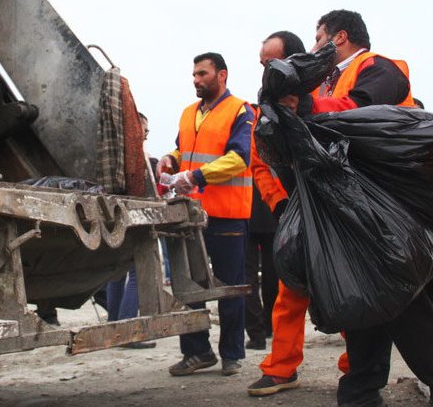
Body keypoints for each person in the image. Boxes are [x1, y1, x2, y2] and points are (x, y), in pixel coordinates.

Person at [249, 11, 433, 407]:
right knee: (361, 300)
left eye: (318, 37)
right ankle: (360, 391)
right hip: (349, 213)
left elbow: (358, 112)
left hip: (385, 215)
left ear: (339, 37)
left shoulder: (380, 69)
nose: (313, 48)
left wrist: (304, 105)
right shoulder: (328, 80)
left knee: (404, 305)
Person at [159, 52, 254, 377]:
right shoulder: (189, 113)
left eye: (202, 74)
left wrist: (195, 177)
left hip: (225, 214)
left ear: (222, 75)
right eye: (194, 74)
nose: (196, 80)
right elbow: (181, 149)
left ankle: (231, 354)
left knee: (230, 286)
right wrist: (170, 160)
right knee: (189, 287)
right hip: (189, 215)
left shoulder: (240, 110)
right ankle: (197, 352)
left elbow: (241, 158)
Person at [245, 32, 305, 351]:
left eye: (270, 64)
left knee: (340, 285)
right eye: (262, 65)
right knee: (288, 295)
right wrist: (280, 204)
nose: (265, 71)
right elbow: (258, 164)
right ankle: (281, 366)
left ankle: (357, 372)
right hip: (286, 214)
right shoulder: (263, 109)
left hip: (329, 211)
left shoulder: (321, 95)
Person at [105, 113, 157, 349]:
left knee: (116, 274)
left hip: (114, 220)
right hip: (136, 220)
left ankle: (112, 327)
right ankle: (126, 330)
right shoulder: (138, 158)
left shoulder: (112, 155)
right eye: (143, 130)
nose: (145, 135)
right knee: (138, 274)